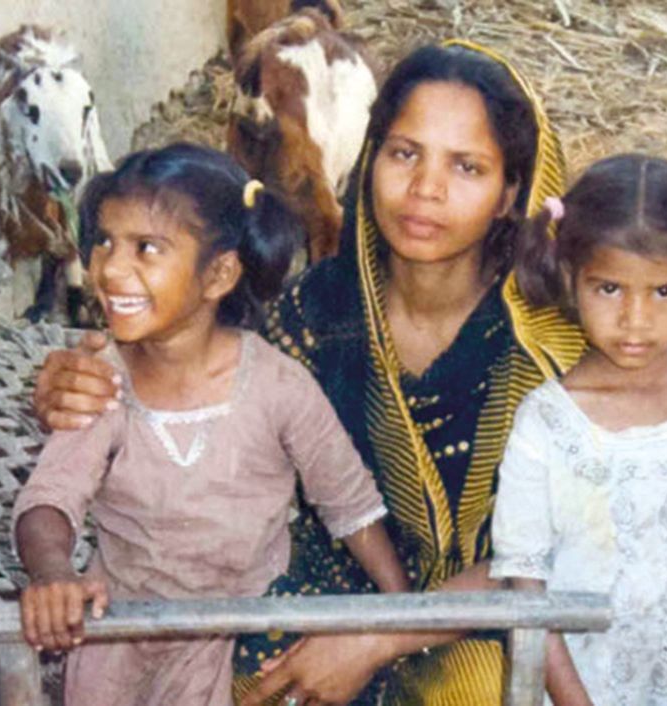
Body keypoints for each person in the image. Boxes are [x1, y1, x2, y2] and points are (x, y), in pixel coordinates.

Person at [31, 41, 586, 705]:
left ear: (510, 194)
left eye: (467, 166)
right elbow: (200, 372)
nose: (425, 188)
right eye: (403, 153)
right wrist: (72, 380)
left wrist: (378, 637)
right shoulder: (317, 308)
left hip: (497, 608)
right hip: (320, 590)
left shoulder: (548, 353)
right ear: (369, 156)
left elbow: (553, 554)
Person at [13, 143, 409, 706]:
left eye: (146, 248)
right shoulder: (102, 381)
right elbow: (50, 499)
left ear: (219, 273)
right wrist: (53, 572)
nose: (110, 268)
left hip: (246, 625)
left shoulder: (277, 386)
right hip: (123, 628)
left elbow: (350, 506)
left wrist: (403, 621)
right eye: (103, 242)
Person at [491, 154, 667, 705]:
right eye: (610, 289)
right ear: (570, 278)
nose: (636, 319)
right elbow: (527, 593)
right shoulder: (546, 424)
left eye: (664, 291)